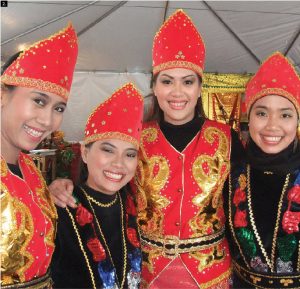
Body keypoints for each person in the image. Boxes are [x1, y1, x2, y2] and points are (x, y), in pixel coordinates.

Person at [49, 9, 244, 289]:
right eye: (167, 81)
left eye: (187, 81)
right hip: (149, 275)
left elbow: (246, 199)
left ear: (200, 87)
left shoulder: (227, 139)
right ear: (154, 85)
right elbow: (106, 188)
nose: (177, 92)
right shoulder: (135, 138)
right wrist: (62, 185)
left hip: (212, 274)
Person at [1, 23, 78, 288]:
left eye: (58, 108)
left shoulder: (29, 168)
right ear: (2, 94)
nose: (47, 120)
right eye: (38, 101)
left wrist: (50, 193)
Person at [50, 83, 143, 289]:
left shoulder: (135, 207)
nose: (119, 163)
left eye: (129, 154)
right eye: (108, 150)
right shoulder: (60, 207)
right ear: (84, 153)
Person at [224, 52, 300, 288]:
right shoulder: (231, 175)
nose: (272, 125)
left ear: (297, 120)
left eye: (285, 114)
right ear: (250, 118)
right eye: (262, 113)